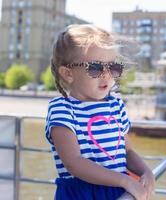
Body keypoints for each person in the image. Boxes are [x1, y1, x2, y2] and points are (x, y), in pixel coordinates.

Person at [45, 24, 155, 200]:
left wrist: (146, 172)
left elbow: (127, 152)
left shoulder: (116, 106)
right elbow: (74, 163)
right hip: (81, 194)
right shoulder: (63, 111)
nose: (107, 75)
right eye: (95, 68)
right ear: (68, 73)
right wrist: (125, 181)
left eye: (113, 67)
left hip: (117, 192)